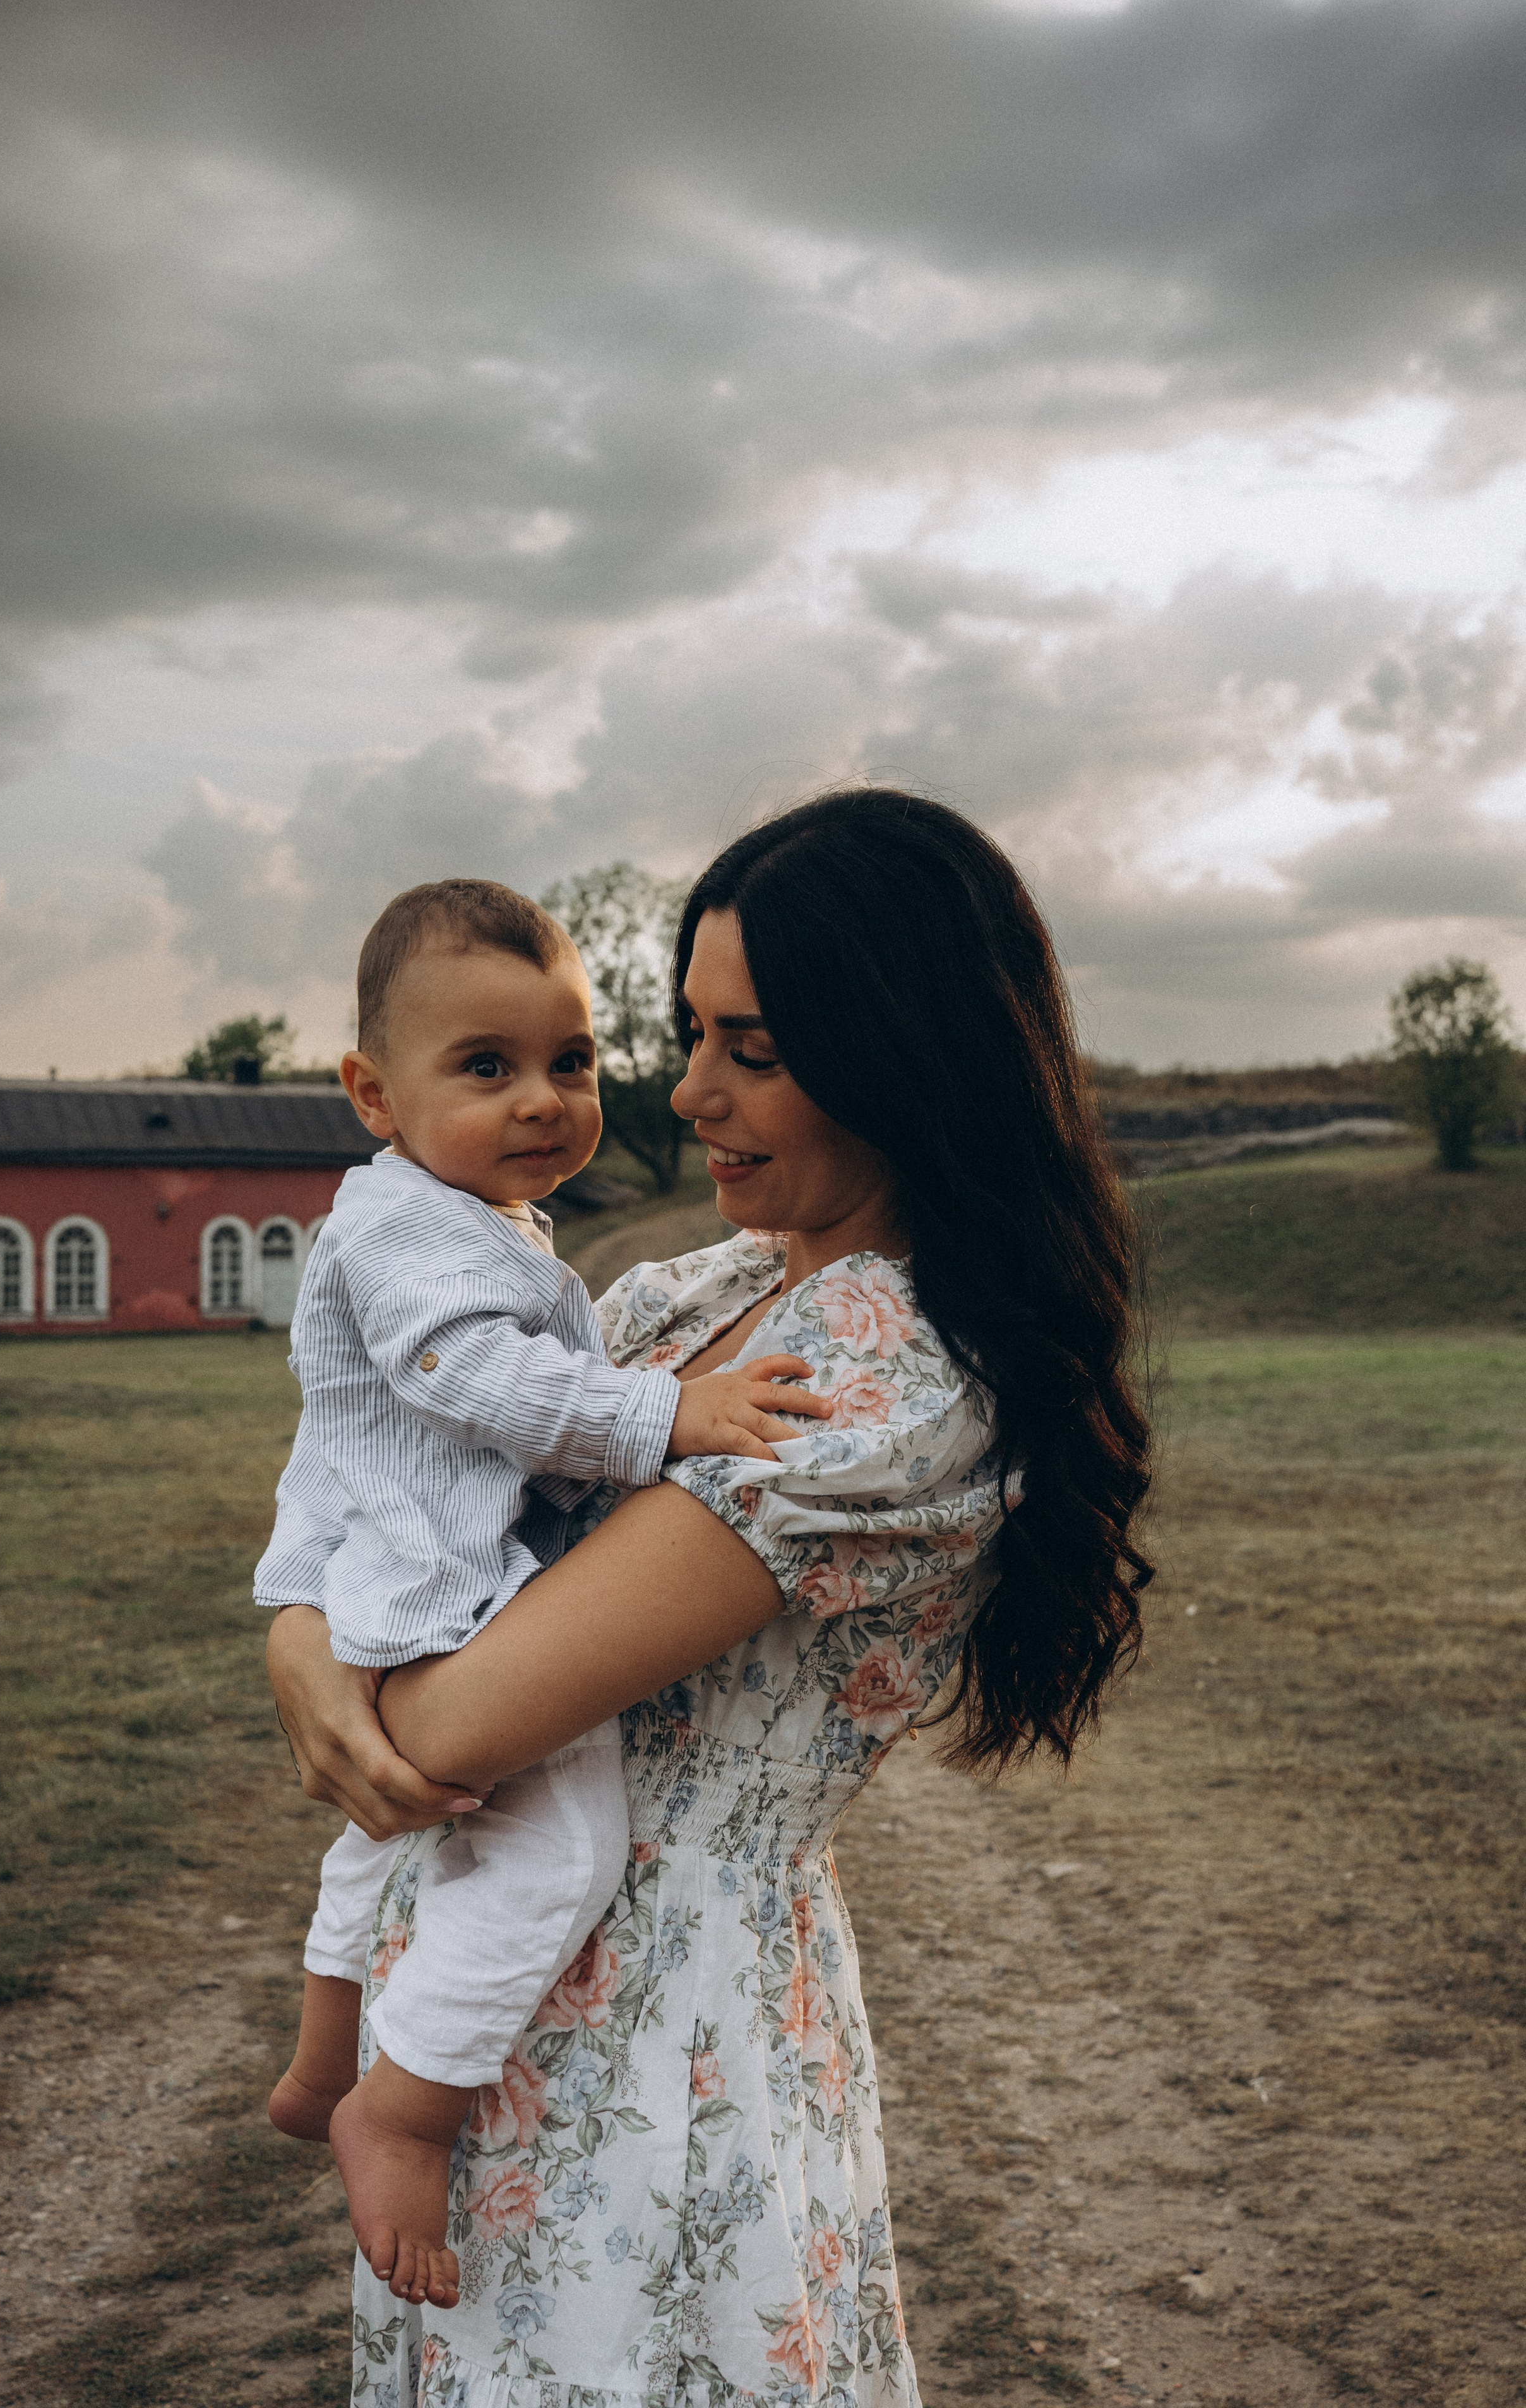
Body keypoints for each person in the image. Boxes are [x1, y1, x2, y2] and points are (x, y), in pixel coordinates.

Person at [269, 788, 1153, 2408]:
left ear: (903, 1054)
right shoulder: (717, 1285)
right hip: (484, 2018)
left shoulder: (879, 1372)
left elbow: (454, 1713)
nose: (686, 1095)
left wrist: (319, 1660)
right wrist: (295, 1633)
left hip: (657, 2042)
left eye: (750, 1048)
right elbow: (409, 1466)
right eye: (686, 1036)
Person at [258, 876, 832, 2309]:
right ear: (370, 1095)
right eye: (486, 1067)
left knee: (379, 1835)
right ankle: (396, 2105)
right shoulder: (416, 1234)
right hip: (440, 1595)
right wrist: (668, 1415)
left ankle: (329, 2046)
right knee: (551, 1848)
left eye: (568, 1063)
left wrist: (304, 1623)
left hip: (420, 1588)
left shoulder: (469, 1219)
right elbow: (484, 1380)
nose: (545, 1102)